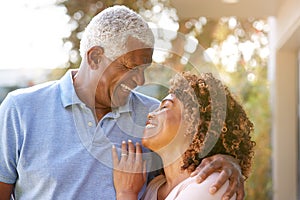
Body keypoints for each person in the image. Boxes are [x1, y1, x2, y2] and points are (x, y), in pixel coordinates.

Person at [0, 5, 244, 199]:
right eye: (130, 68)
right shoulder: (20, 109)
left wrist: (229, 161)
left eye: (145, 68)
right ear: (95, 57)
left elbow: (191, 162)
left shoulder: (151, 117)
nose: (140, 80)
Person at [112, 72, 256, 200]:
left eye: (165, 107)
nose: (151, 114)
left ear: (195, 124)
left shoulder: (211, 185)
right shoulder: (154, 187)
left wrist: (126, 194)